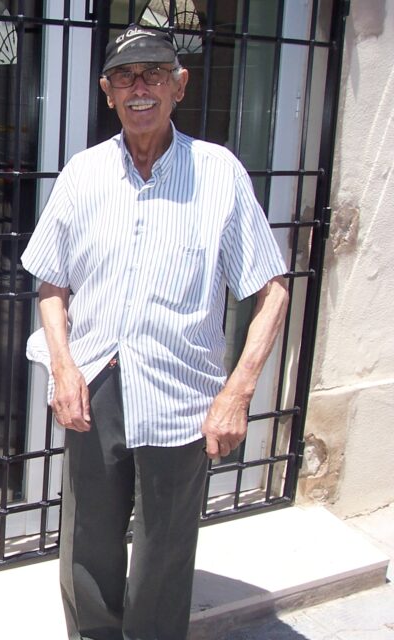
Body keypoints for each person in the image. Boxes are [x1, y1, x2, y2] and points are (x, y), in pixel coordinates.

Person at [21, 25, 289, 640]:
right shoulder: (83, 174)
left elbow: (272, 290)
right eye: (125, 76)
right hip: (95, 384)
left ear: (179, 85)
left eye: (155, 73)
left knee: (165, 547)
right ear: (107, 91)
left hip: (182, 395)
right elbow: (52, 284)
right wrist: (63, 367)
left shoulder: (218, 174)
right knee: (87, 540)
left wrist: (238, 392)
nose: (139, 87)